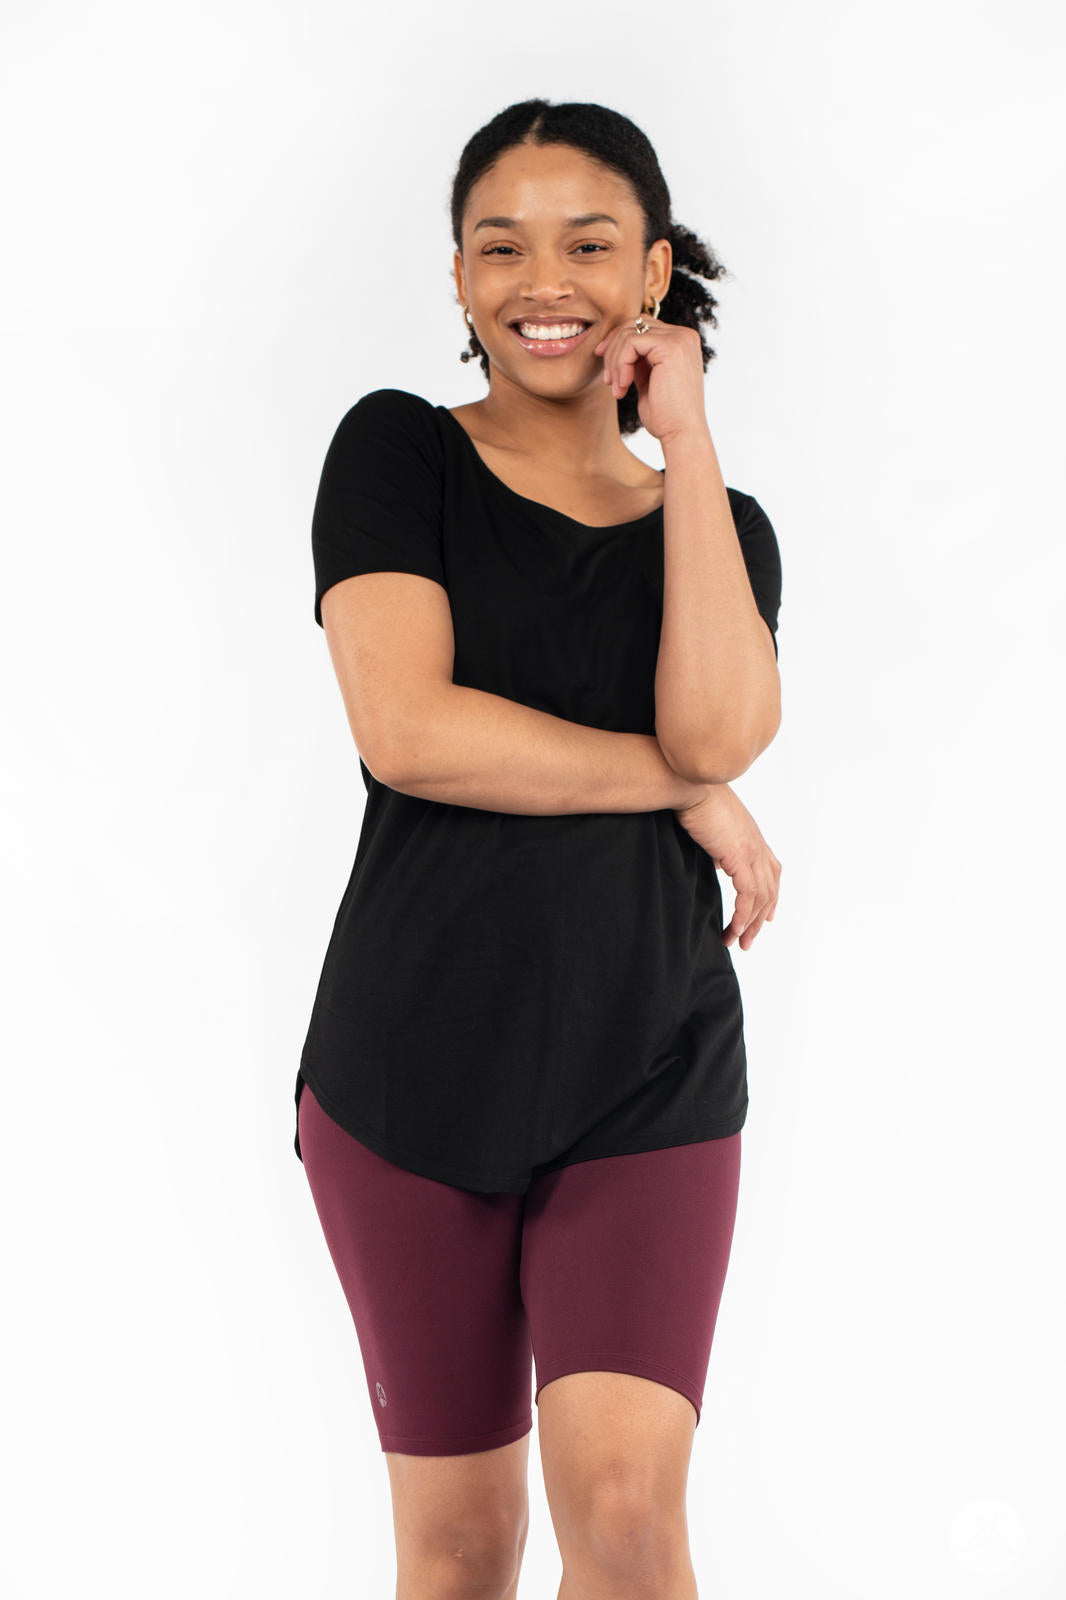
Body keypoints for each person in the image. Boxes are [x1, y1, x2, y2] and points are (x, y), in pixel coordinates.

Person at [294, 97, 783, 1600]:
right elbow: (409, 730)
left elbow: (723, 729)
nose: (541, 279)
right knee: (455, 1554)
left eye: (587, 243)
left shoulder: (725, 525)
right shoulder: (396, 455)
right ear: (456, 279)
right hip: (406, 1067)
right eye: (499, 245)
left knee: (628, 1522)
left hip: (650, 1064)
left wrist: (681, 434)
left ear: (651, 275)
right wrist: (673, 789)